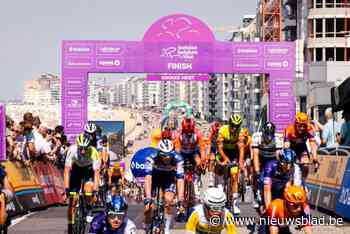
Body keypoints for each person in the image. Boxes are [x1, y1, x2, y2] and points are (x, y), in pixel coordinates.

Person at [143, 139, 185, 234]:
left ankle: (166, 228)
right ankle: (147, 226)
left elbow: (180, 180)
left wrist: (180, 199)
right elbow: (148, 178)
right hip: (154, 176)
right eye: (163, 155)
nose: (167, 158)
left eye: (169, 155)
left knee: (169, 199)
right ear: (158, 153)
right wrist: (148, 197)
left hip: (168, 177)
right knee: (148, 207)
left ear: (173, 153)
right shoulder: (151, 157)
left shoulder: (178, 158)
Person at [63, 133, 100, 232]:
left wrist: (95, 190)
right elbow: (67, 170)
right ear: (77, 146)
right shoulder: (72, 150)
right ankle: (71, 224)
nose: (83, 151)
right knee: (72, 200)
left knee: (88, 191)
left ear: (90, 146)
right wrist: (66, 188)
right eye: (81, 148)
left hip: (88, 170)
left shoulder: (94, 152)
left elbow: (96, 173)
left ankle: (89, 208)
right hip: (76, 169)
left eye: (86, 148)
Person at [216, 113, 245, 214]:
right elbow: (219, 148)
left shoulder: (240, 132)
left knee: (234, 175)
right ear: (229, 124)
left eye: (237, 126)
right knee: (219, 166)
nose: (234, 128)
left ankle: (235, 204)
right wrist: (225, 159)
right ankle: (220, 189)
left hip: (233, 152)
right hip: (223, 151)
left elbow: (241, 149)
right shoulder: (222, 130)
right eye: (233, 125)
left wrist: (240, 162)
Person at [252, 122, 284, 210]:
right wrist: (257, 171)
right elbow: (255, 155)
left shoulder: (278, 138)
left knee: (270, 176)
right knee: (256, 174)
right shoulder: (257, 137)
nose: (268, 137)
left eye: (270, 134)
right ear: (263, 133)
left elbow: (278, 156)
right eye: (266, 134)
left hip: (272, 158)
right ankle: (256, 193)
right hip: (260, 157)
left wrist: (279, 169)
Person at [284, 112, 319, 188]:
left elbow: (312, 144)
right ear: (296, 124)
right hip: (290, 147)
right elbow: (286, 146)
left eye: (304, 126)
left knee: (306, 164)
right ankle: (289, 182)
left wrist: (315, 158)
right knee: (289, 166)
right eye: (300, 126)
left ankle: (303, 182)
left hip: (301, 147)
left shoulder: (309, 128)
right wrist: (288, 160)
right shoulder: (289, 129)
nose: (302, 128)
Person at [173, 117, 206, 197]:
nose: (189, 134)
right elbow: (177, 150)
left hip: (193, 152)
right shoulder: (179, 134)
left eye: (190, 132)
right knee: (176, 167)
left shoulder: (198, 133)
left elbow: (202, 148)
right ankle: (176, 187)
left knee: (198, 162)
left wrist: (203, 160)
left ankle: (196, 182)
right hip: (182, 152)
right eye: (187, 132)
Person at [206, 121, 221, 187]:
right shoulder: (210, 133)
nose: (217, 132)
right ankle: (211, 179)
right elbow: (209, 145)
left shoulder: (221, 132)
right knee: (211, 161)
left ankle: (219, 178)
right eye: (216, 130)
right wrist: (208, 155)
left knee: (219, 163)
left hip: (220, 148)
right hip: (212, 147)